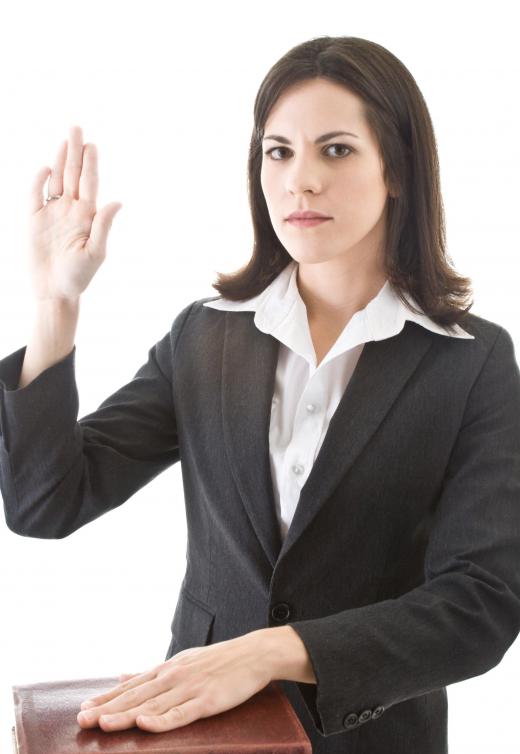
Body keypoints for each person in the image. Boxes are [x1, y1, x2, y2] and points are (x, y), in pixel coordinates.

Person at [1, 35, 520, 754]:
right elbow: (45, 503)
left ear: (397, 168)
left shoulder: (473, 362)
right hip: (206, 738)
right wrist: (55, 303)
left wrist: (274, 651)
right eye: (278, 151)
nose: (299, 181)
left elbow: (481, 604)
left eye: (335, 150)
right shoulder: (206, 339)